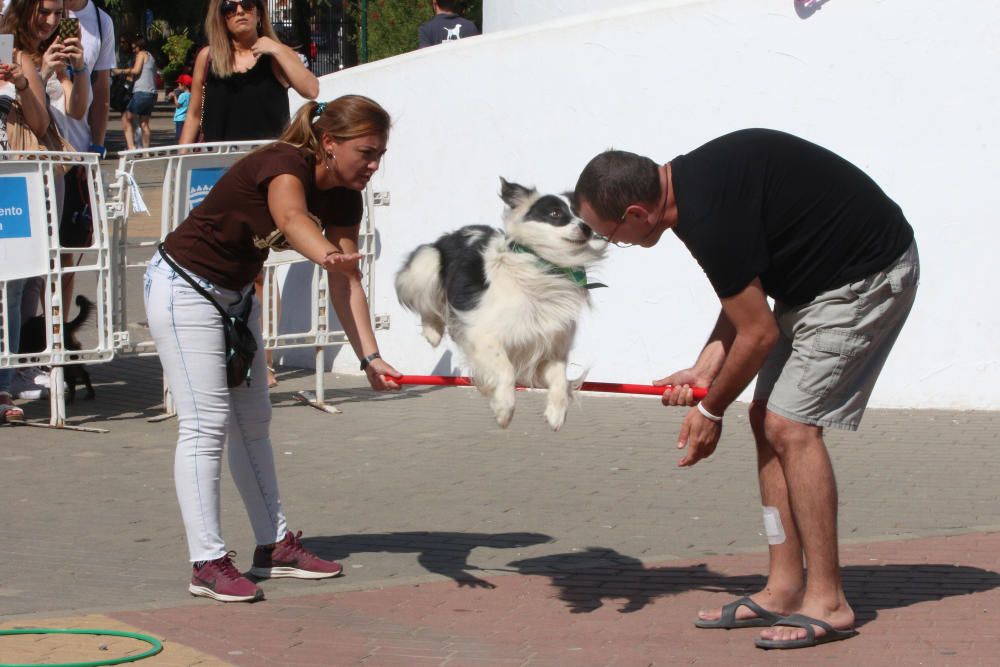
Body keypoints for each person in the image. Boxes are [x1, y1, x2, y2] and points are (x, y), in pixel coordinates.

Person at [574, 128, 918, 650]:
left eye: (611, 233)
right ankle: (783, 587)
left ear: (638, 213)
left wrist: (710, 411)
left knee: (790, 425)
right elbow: (744, 291)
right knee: (764, 419)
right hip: (818, 281)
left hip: (867, 276)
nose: (613, 243)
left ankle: (828, 601)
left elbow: (758, 333)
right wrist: (707, 363)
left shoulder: (707, 216)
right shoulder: (692, 188)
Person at [145, 95, 402, 602]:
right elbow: (290, 219)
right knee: (205, 424)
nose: (373, 165)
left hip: (235, 298)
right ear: (329, 143)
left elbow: (348, 282)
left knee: (254, 420)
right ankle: (207, 561)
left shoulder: (347, 194)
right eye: (366, 153)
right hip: (183, 287)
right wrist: (327, 254)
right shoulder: (283, 164)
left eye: (380, 155)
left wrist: (371, 358)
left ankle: (273, 547)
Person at [180, 0, 320, 388]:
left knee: (259, 269)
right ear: (218, 16)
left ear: (260, 11)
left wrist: (276, 48)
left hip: (265, 173)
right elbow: (194, 114)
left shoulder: (277, 56)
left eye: (246, 4)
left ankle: (264, 359)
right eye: (229, 7)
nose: (238, 11)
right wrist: (179, 162)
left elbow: (311, 88)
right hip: (218, 174)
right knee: (218, 266)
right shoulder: (209, 57)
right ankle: (225, 352)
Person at [1, 42, 50, 424]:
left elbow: (41, 124)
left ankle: (3, 385)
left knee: (14, 288)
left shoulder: (17, 58)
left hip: (10, 183)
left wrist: (20, 84)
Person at [111, 35, 155, 150]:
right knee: (144, 123)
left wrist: (119, 71)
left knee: (126, 118)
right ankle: (146, 151)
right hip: (151, 93)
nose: (134, 50)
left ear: (139, 46)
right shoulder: (151, 57)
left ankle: (132, 147)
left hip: (141, 92)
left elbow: (136, 71)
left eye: (135, 47)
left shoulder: (141, 54)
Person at [170, 73, 191, 142]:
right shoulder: (190, 94)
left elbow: (177, 105)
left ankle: (181, 148)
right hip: (186, 118)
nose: (178, 86)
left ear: (184, 85)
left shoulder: (182, 95)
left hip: (180, 118)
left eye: (179, 84)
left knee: (179, 136)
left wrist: (174, 96)